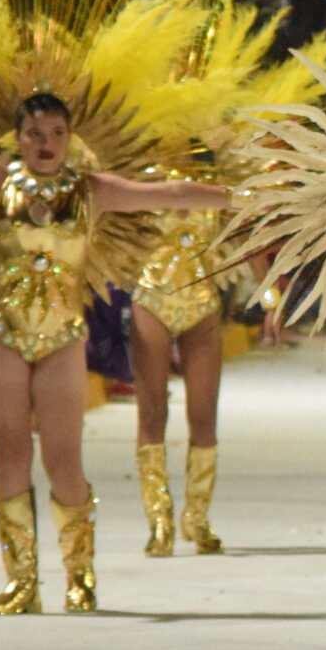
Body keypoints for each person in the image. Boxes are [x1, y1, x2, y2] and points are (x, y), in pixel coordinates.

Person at [0, 15, 232, 613]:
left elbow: (168, 194)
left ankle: (79, 576)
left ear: (69, 137)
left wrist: (247, 200)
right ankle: (22, 583)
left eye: (56, 132)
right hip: (2, 335)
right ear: (17, 137)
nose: (45, 143)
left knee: (64, 459)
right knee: (11, 452)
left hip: (62, 338)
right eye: (34, 133)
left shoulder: (91, 190)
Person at [128, 186, 232, 557]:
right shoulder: (140, 176)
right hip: (151, 299)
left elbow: (247, 230)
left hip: (202, 303)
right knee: (152, 411)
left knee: (204, 415)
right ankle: (159, 518)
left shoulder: (216, 177)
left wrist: (271, 298)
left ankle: (197, 516)